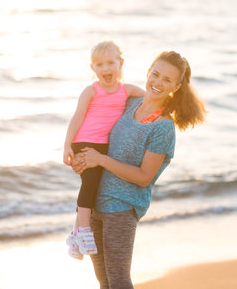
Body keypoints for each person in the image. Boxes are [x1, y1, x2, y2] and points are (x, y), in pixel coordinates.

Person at [71, 51, 206, 288]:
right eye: (155, 74)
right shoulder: (130, 103)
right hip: (95, 203)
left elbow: (144, 178)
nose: (158, 83)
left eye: (167, 80)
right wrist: (83, 160)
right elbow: (97, 133)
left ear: (176, 86)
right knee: (104, 281)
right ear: (148, 73)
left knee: (119, 281)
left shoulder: (163, 127)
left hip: (122, 208)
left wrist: (100, 160)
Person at [63, 41, 144, 260]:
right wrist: (67, 145)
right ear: (93, 69)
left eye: (111, 63)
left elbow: (150, 100)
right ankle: (82, 231)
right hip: (85, 143)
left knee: (96, 185)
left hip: (105, 148)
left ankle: (74, 234)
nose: (106, 68)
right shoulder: (91, 91)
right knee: (90, 182)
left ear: (121, 63)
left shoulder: (127, 90)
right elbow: (77, 117)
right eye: (99, 64)